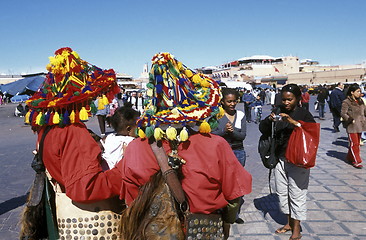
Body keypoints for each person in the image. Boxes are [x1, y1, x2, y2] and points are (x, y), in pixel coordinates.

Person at [117, 52, 252, 239]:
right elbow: (234, 193)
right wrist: (227, 223)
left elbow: (130, 198)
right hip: (205, 231)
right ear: (191, 102)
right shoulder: (216, 145)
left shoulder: (135, 148)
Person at [21, 47, 123, 240]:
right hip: (89, 222)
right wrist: (123, 171)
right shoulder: (72, 133)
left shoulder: (48, 130)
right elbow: (85, 188)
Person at [259, 84, 315, 240]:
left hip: (298, 161)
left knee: (297, 194)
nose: (286, 103)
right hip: (280, 159)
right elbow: (263, 129)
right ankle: (289, 223)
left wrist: (293, 122)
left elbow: (312, 132)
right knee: (283, 193)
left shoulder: (304, 114)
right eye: (283, 99)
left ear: (297, 99)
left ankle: (297, 229)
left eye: (289, 99)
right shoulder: (277, 111)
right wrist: (269, 120)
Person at [211, 87, 247, 225]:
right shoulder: (217, 116)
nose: (232, 104)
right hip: (222, 152)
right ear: (223, 102)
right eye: (229, 101)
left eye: (234, 101)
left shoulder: (241, 115)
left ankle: (234, 213)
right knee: (221, 182)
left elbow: (242, 135)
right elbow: (213, 134)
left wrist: (232, 132)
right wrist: (224, 131)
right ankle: (220, 210)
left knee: (236, 183)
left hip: (238, 152)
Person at [100, 106, 139, 170]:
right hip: (119, 175)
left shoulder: (109, 137)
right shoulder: (130, 141)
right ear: (129, 129)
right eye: (138, 126)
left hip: (105, 172)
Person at [340, 84, 366, 169]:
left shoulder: (360, 101)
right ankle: (357, 161)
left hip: (360, 125)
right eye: (357, 91)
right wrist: (350, 119)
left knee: (357, 143)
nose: (359, 93)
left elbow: (364, 111)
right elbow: (343, 113)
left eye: (360, 91)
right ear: (352, 92)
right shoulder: (346, 102)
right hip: (352, 125)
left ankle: (349, 157)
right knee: (354, 144)